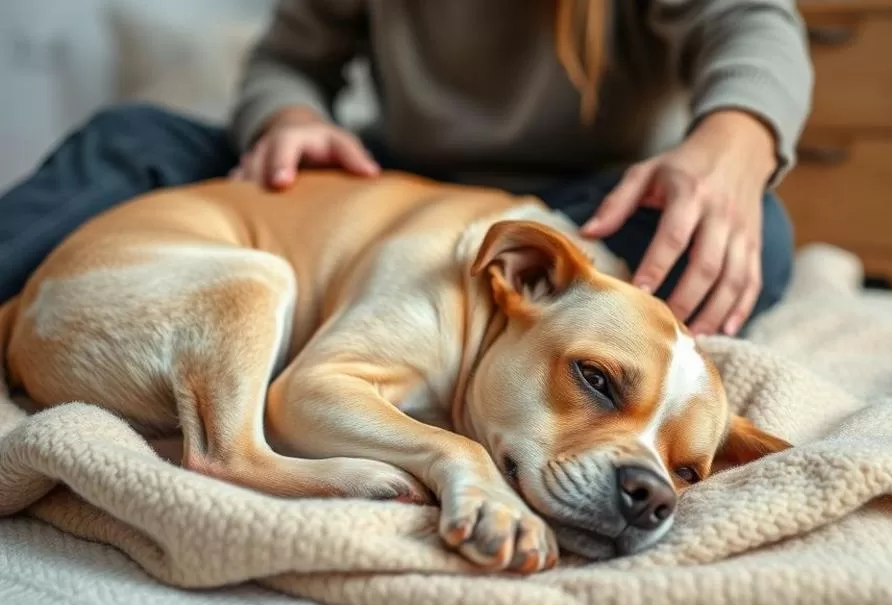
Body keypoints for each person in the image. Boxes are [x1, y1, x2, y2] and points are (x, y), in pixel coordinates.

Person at [0, 0, 813, 336]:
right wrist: (292, 118)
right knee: (132, 135)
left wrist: (736, 143)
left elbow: (751, 21)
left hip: (576, 205)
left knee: (755, 240)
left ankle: (385, 314)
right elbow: (288, 58)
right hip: (388, 184)